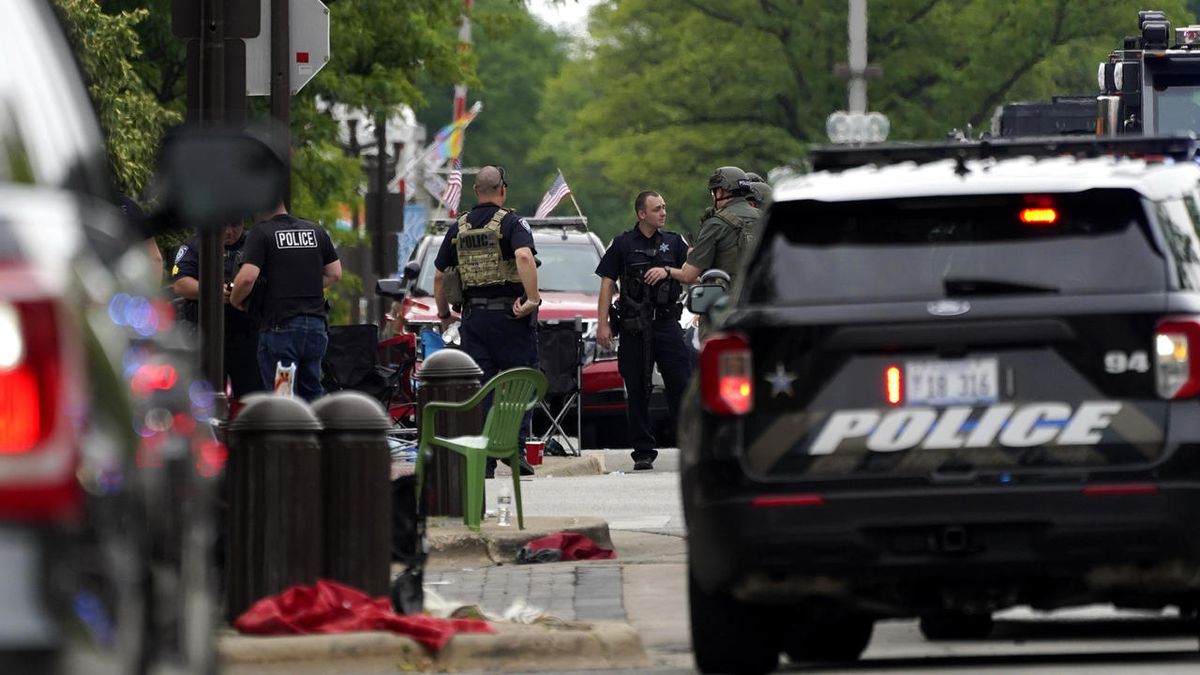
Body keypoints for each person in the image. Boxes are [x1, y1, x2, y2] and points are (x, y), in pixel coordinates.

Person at [434, 166, 540, 478]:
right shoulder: (512, 222)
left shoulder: (459, 227)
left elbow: (440, 277)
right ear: (502, 189)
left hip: (474, 318)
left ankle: (484, 461)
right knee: (519, 381)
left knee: (481, 388)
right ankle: (513, 447)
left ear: (475, 191)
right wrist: (532, 299)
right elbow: (523, 257)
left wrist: (443, 317)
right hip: (511, 315)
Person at [595, 191, 693, 471]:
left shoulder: (674, 242)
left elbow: (693, 273)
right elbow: (606, 283)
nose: (663, 213)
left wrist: (667, 271)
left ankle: (688, 444)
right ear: (642, 214)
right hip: (634, 326)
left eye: (664, 207)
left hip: (666, 323)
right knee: (637, 387)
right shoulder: (623, 244)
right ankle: (642, 451)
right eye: (657, 209)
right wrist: (602, 323)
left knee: (681, 384)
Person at [230, 201, 342, 402]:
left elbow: (247, 278)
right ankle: (313, 433)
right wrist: (305, 285)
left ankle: (286, 433)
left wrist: (235, 299)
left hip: (281, 328)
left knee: (282, 397)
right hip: (316, 327)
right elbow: (335, 273)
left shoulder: (261, 233)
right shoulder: (315, 230)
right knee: (312, 394)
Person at [171, 222, 265, 399]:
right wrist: (211, 291)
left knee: (252, 398)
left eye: (235, 225)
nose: (229, 232)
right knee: (204, 397)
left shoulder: (256, 243)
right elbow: (180, 284)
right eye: (224, 225)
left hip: (247, 334)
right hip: (206, 335)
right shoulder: (196, 244)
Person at [676, 166, 760, 287]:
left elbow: (688, 275)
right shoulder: (765, 217)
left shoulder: (716, 223)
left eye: (714, 192)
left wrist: (667, 271)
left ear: (720, 192)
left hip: (729, 300)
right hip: (767, 298)